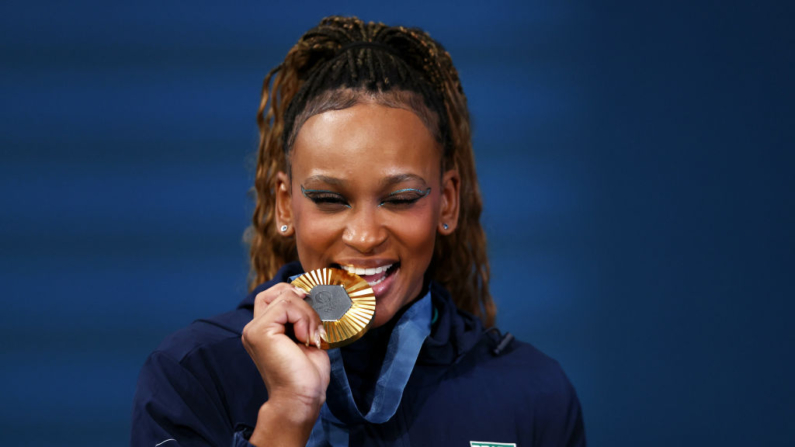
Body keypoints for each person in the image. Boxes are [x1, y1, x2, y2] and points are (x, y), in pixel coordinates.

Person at [131, 16, 585, 447]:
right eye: (330, 200)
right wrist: (289, 413)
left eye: (401, 198)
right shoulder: (195, 375)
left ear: (447, 201)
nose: (365, 236)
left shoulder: (531, 393)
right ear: (285, 204)